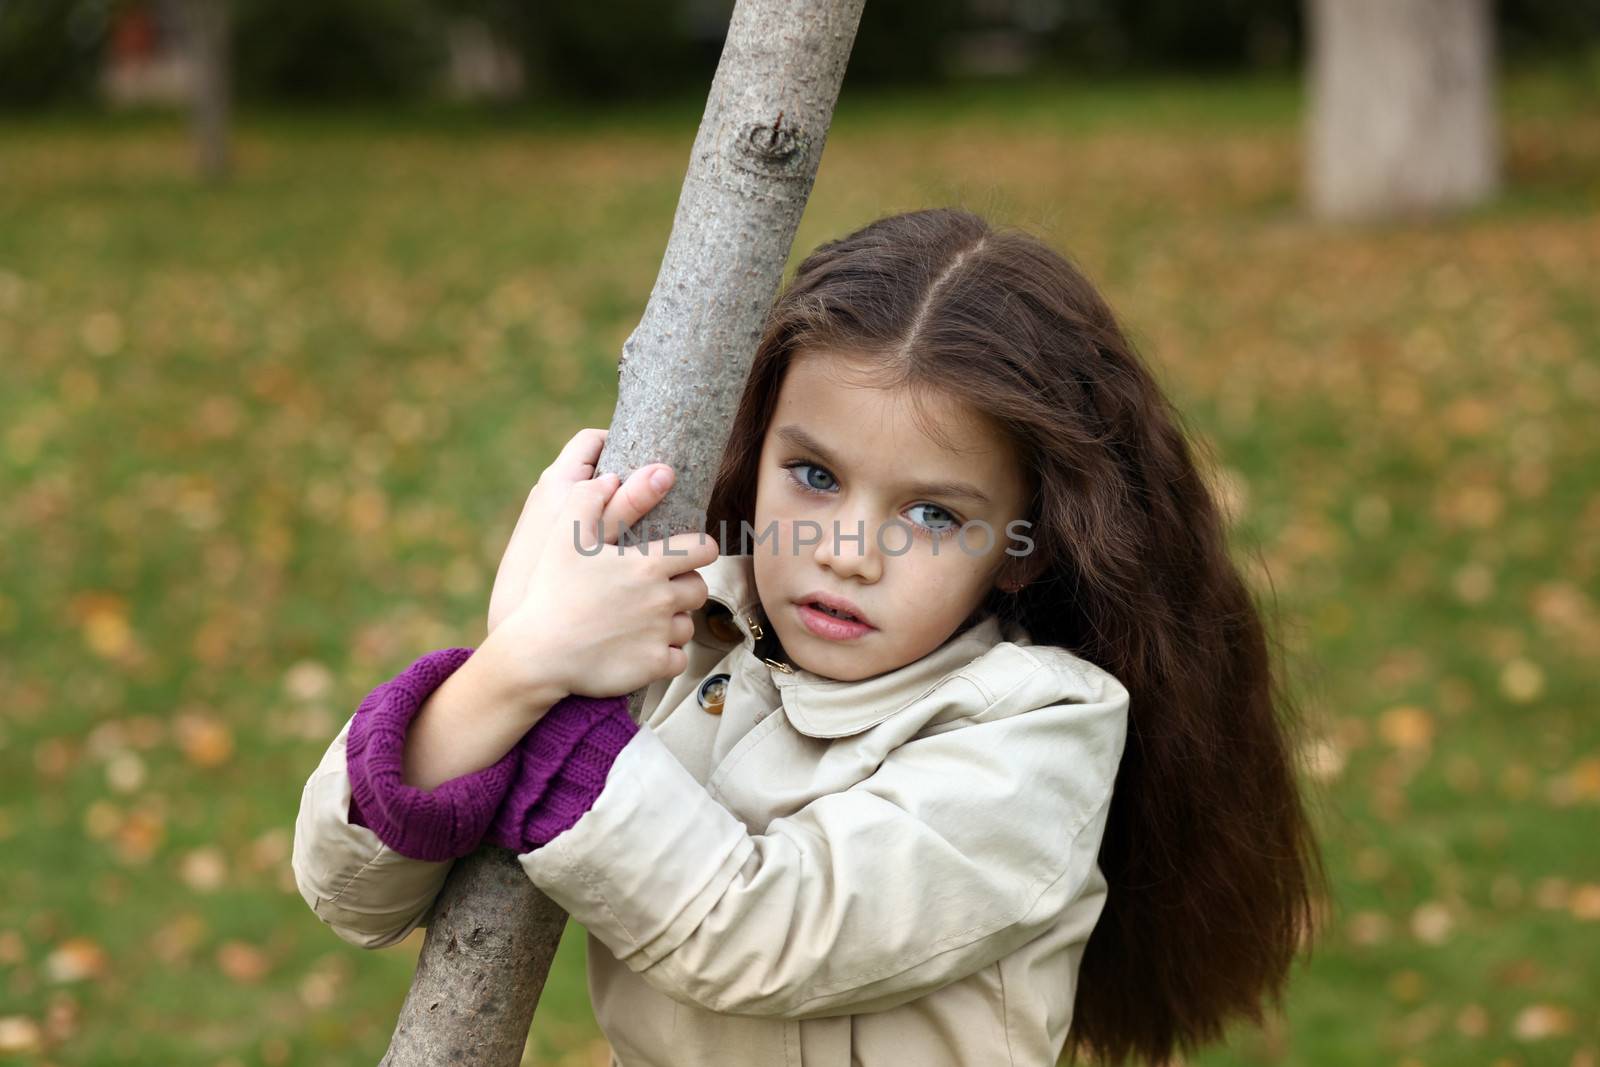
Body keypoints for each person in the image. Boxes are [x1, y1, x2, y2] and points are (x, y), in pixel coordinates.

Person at [292, 207, 1328, 1067]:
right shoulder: (684, 629)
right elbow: (353, 888)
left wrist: (550, 693)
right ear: (758, 446)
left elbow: (759, 926)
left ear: (1020, 549)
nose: (846, 551)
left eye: (933, 513)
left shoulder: (1035, 735)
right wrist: (515, 662)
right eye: (816, 475)